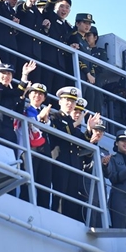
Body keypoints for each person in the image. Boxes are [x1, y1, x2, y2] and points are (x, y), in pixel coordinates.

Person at [48, 86, 84, 220]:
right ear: (60, 102)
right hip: (60, 161)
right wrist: (75, 124)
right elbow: (61, 134)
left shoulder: (72, 121)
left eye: (73, 101)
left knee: (72, 197)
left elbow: (80, 142)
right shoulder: (54, 116)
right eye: (67, 100)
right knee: (60, 196)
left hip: (73, 163)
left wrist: (91, 134)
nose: (70, 104)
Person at [15, 82, 52, 209]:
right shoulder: (25, 109)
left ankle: (44, 212)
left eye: (41, 94)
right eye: (35, 93)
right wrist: (39, 119)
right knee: (27, 183)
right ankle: (23, 208)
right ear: (29, 95)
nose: (38, 96)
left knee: (44, 186)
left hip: (44, 152)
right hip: (29, 150)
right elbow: (26, 125)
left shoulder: (47, 113)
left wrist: (46, 121)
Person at [42, 0, 73, 97]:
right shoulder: (51, 16)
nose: (64, 9)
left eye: (67, 7)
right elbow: (47, 9)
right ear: (56, 7)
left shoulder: (68, 27)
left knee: (57, 91)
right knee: (47, 88)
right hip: (49, 59)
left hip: (61, 64)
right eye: (61, 6)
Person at [15, 0, 45, 82]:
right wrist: (27, 5)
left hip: (36, 53)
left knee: (34, 82)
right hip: (24, 49)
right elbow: (21, 10)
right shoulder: (21, 4)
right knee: (21, 78)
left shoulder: (37, 12)